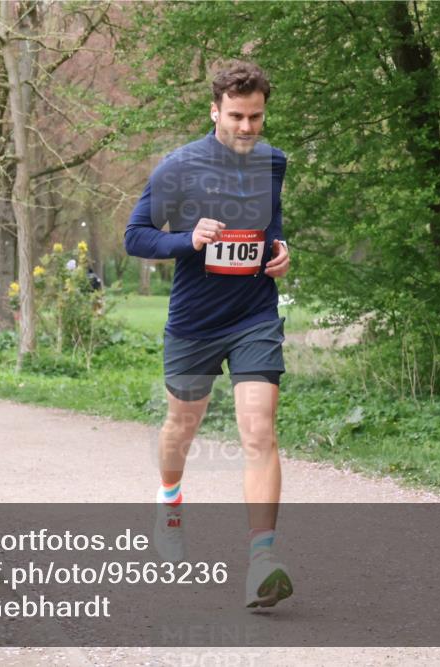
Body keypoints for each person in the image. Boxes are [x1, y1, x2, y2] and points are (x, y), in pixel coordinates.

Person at [124, 62, 292, 609]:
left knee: (259, 431)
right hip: (196, 321)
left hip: (254, 315)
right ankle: (169, 498)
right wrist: (186, 240)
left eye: (257, 117)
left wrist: (281, 250)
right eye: (237, 116)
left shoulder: (273, 163)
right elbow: (136, 236)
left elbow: (272, 224)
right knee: (181, 425)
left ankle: (262, 560)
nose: (248, 128)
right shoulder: (179, 168)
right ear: (215, 111)